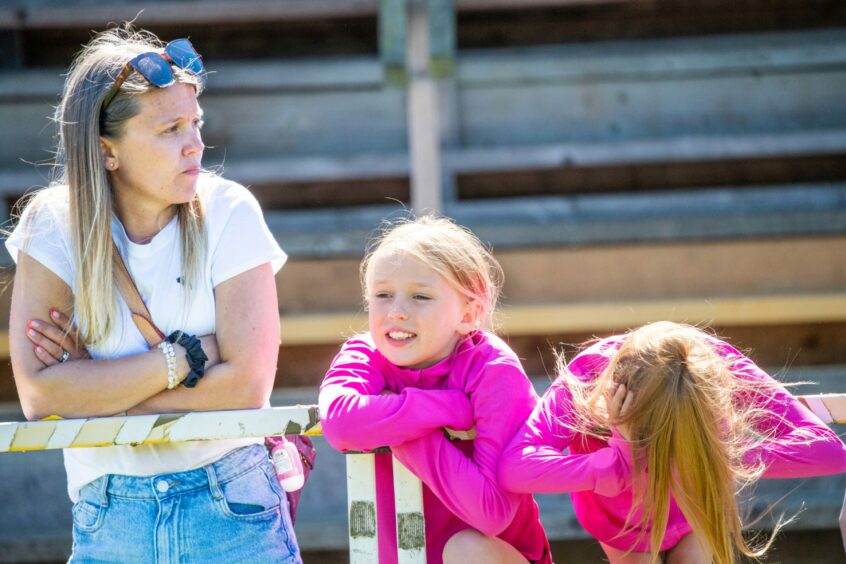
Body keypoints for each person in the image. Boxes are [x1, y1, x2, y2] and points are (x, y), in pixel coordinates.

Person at [7, 25, 301, 562]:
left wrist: (96, 393)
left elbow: (247, 386)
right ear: (107, 151)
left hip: (232, 503)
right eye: (170, 129)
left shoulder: (231, 210)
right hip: (108, 512)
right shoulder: (52, 224)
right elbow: (42, 398)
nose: (196, 145)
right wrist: (185, 359)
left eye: (196, 123)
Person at [498, 321, 846, 564]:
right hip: (621, 518)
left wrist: (715, 455)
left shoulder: (715, 370)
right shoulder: (590, 376)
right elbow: (516, 467)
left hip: (691, 506)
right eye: (655, 443)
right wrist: (622, 457)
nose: (663, 458)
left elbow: (829, 450)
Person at [318, 216, 551, 563]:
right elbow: (338, 424)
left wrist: (401, 428)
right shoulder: (364, 353)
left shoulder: (492, 370)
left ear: (469, 315)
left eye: (420, 296)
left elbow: (491, 512)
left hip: (490, 555)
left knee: (466, 550)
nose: (396, 312)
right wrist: (449, 408)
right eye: (382, 295)